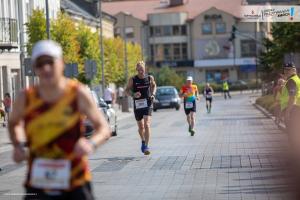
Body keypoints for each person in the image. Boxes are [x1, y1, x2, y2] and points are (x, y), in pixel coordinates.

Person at [8, 40, 111, 200]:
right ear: (35, 68)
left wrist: (90, 143)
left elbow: (103, 128)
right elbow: (13, 122)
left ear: (61, 63)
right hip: (39, 182)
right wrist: (18, 145)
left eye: (50, 62)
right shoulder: (26, 97)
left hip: (75, 180)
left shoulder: (77, 93)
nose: (46, 68)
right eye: (40, 64)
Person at [125, 61, 156, 155]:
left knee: (147, 124)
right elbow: (126, 90)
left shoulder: (150, 78)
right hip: (138, 104)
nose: (140, 71)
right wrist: (133, 94)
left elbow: (154, 86)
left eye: (142, 69)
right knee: (141, 127)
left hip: (148, 103)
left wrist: (153, 94)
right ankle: (143, 141)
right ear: (136, 70)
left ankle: (146, 146)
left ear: (145, 69)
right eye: (139, 69)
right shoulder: (133, 79)